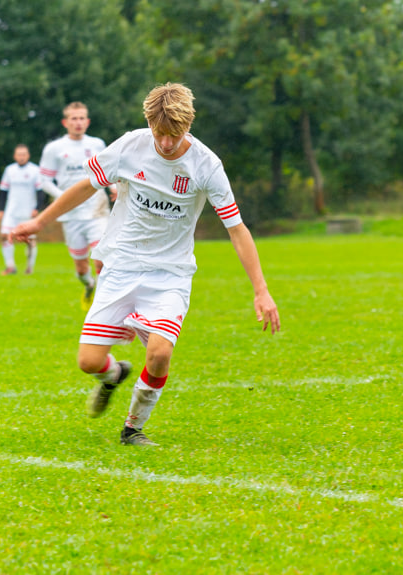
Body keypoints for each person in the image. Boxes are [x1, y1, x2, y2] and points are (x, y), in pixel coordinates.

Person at [15, 83, 281, 446]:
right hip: (121, 265)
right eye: (160, 134)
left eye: (176, 135)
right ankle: (114, 376)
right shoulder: (130, 145)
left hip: (170, 275)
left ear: (188, 125)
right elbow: (85, 186)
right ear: (149, 124)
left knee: (159, 353)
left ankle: (132, 428)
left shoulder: (207, 164)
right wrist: (38, 223)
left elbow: (237, 230)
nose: (167, 143)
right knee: (89, 362)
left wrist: (261, 291)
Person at [39, 102, 117, 308]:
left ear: (88, 121)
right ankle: (89, 285)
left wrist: (115, 187)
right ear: (65, 122)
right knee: (82, 268)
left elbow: (109, 172)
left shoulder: (97, 145)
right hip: (71, 216)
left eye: (82, 118)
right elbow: (44, 181)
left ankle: (102, 304)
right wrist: (64, 197)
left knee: (101, 259)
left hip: (97, 211)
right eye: (74, 118)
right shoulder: (54, 149)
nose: (78, 122)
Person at [0, 144, 44, 275]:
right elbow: (3, 191)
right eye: (19, 154)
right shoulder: (9, 170)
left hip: (28, 211)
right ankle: (10, 266)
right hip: (11, 211)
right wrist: (1, 209)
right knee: (4, 236)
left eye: (24, 154)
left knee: (30, 240)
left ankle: (29, 268)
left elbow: (40, 191)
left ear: (28, 155)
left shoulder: (35, 170)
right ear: (15, 156)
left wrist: (37, 208)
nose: (21, 157)